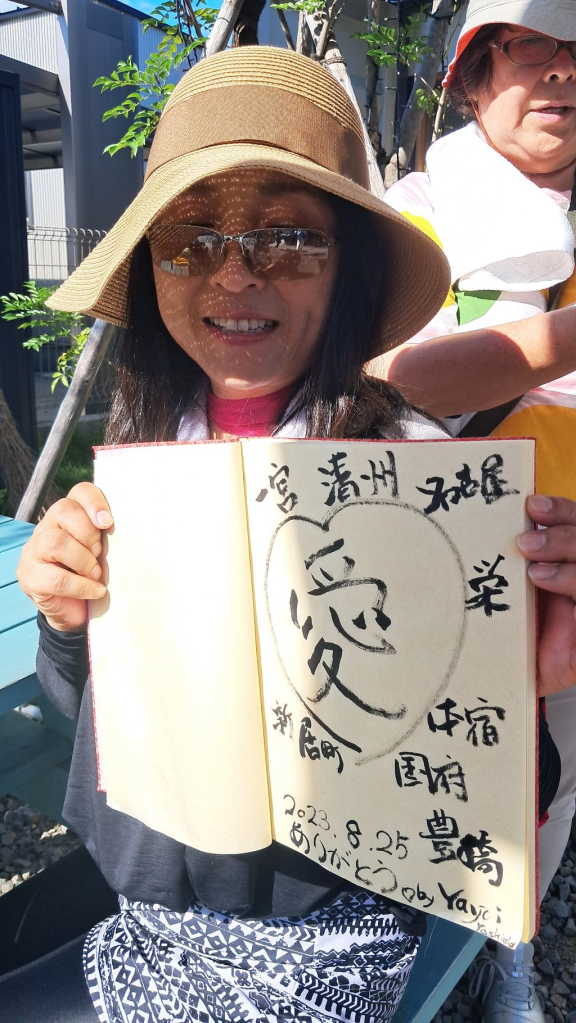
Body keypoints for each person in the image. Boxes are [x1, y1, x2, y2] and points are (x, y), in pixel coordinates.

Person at [5, 45, 574, 1023]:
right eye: (189, 240)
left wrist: (536, 682)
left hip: (326, 941)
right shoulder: (146, 451)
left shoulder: (411, 471)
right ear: (149, 270)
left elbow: (478, 780)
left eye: (288, 237)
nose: (234, 272)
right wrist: (66, 621)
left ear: (351, 264)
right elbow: (95, 711)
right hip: (149, 903)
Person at [376, 1, 576, 1019]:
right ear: (474, 75)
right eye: (535, 48)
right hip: (435, 567)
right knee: (426, 769)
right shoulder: (417, 214)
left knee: (551, 779)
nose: (563, 72)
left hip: (567, 576)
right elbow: (389, 377)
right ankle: (397, 944)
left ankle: (510, 956)